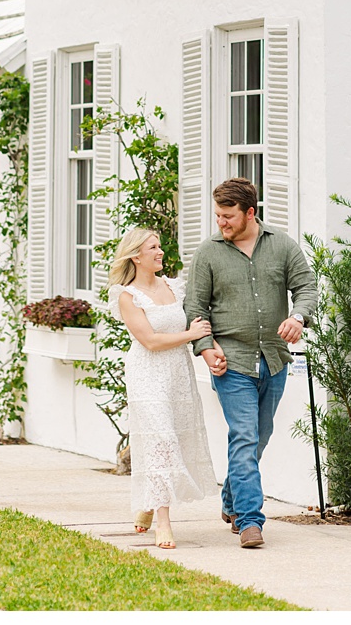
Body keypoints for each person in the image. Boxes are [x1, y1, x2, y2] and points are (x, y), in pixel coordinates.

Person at [182, 177, 320, 549]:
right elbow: (195, 307)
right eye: (218, 216)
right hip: (231, 360)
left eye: (228, 216)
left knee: (258, 437)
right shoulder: (208, 253)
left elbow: (307, 287)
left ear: (250, 213)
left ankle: (231, 499)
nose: (221, 223)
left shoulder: (283, 246)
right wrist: (206, 347)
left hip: (274, 358)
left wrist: (299, 317)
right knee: (243, 435)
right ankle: (249, 521)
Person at [111, 228, 217, 550]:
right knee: (162, 441)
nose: (160, 252)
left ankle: (148, 503)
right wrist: (191, 334)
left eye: (159, 246)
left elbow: (192, 322)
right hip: (147, 374)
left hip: (177, 373)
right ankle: (164, 523)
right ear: (135, 256)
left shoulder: (173, 286)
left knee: (177, 438)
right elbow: (151, 341)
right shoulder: (127, 296)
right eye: (152, 248)